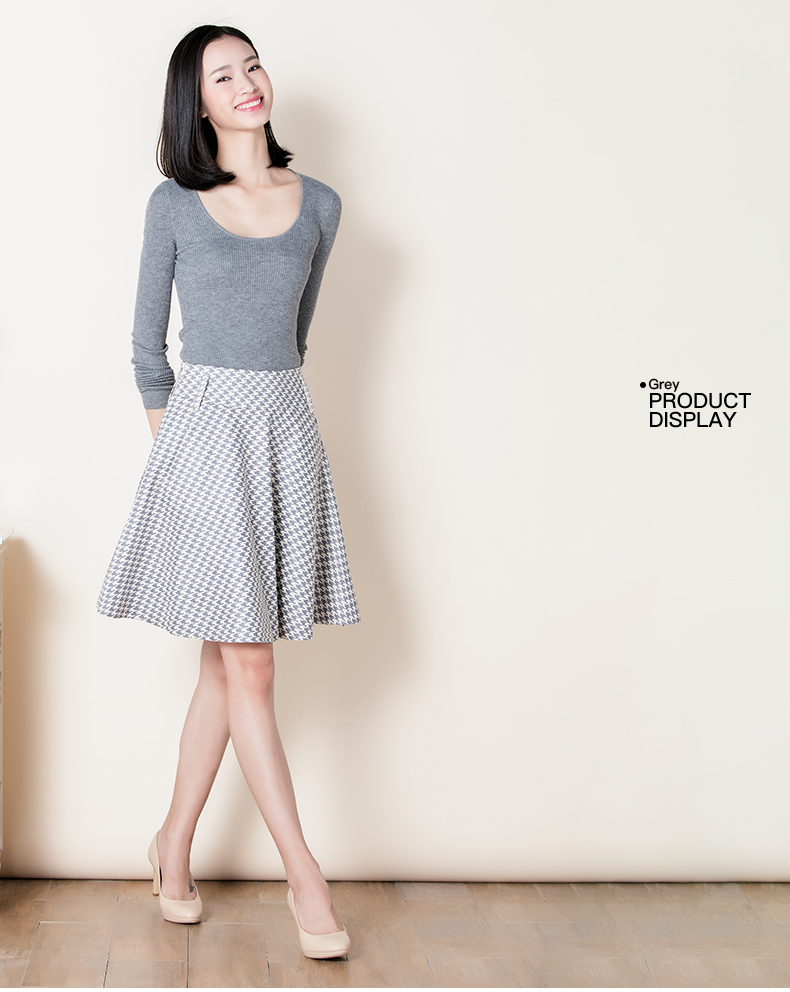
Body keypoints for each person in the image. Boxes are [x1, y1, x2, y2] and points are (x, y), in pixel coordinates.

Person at [96, 23, 359, 960]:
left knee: (225, 664)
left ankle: (172, 846)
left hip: (282, 430)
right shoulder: (172, 205)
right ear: (196, 103)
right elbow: (146, 351)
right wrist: (180, 458)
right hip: (201, 441)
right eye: (223, 75)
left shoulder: (320, 205)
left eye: (252, 65)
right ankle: (306, 876)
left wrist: (262, 421)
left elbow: (295, 339)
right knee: (253, 664)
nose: (247, 83)